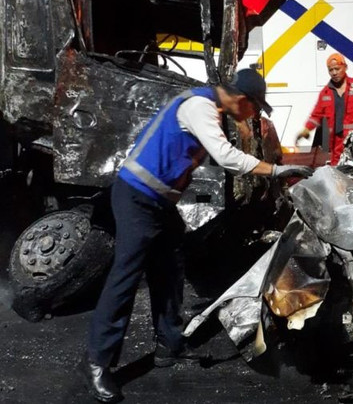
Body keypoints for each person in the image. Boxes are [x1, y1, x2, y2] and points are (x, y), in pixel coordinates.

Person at [77, 68, 312, 403]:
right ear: (242, 100)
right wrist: (275, 170)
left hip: (158, 201)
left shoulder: (212, 109)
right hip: (137, 196)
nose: (253, 115)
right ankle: (96, 363)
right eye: (254, 108)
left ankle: (168, 345)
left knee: (171, 267)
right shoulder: (199, 107)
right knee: (126, 276)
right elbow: (226, 158)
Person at [296, 53, 353, 165]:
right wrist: (306, 129)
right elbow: (316, 115)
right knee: (338, 173)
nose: (334, 73)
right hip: (337, 143)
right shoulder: (325, 93)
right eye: (330, 70)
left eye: (337, 69)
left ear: (345, 67)